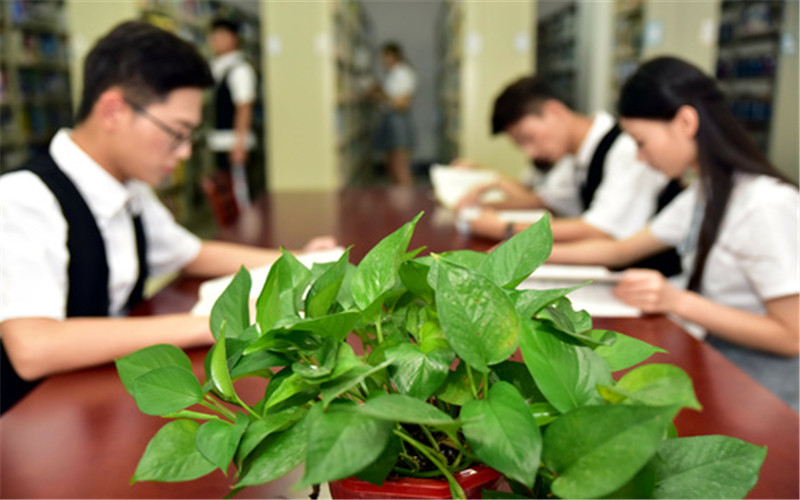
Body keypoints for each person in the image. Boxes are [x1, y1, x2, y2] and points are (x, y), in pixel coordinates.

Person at [0, 21, 334, 413]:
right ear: (114, 111)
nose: (185, 153)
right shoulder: (23, 197)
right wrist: (211, 324)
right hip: (31, 418)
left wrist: (302, 262)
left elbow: (190, 253)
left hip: (95, 396)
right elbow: (33, 347)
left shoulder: (129, 189)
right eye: (177, 132)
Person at [548, 57, 799, 406]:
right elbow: (619, 251)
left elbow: (792, 336)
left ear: (685, 122)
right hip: (722, 363)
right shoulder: (704, 193)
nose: (639, 157)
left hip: (768, 390)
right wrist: (534, 254)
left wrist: (675, 299)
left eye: (641, 141)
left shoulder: (764, 204)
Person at [457, 75, 684, 276]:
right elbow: (544, 201)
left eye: (528, 138)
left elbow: (601, 230)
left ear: (554, 111)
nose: (530, 152)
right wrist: (490, 203)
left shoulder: (625, 149)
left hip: (654, 276)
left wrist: (506, 229)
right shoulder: (573, 156)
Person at [208, 17, 257, 206]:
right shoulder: (218, 67)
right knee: (225, 197)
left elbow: (244, 106)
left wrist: (239, 145)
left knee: (239, 197)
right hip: (220, 143)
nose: (215, 41)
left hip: (234, 145)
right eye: (213, 36)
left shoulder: (240, 70)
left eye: (221, 36)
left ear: (234, 38)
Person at [373, 42, 417, 186]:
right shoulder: (391, 75)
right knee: (391, 165)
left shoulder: (404, 74)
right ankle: (396, 205)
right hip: (389, 119)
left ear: (394, 56)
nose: (383, 61)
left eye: (385, 57)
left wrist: (382, 93)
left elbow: (402, 104)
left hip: (398, 120)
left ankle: (410, 206)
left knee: (400, 166)